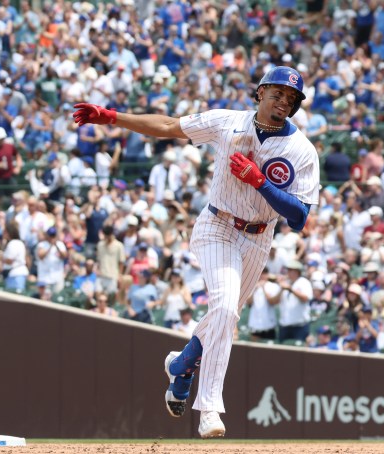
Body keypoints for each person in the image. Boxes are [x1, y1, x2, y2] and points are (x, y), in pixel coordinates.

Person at [73, 66, 319, 438]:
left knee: (225, 318)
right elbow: (170, 126)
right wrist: (112, 118)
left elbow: (299, 217)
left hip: (258, 237)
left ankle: (182, 364)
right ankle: (208, 409)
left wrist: (261, 182)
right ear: (261, 92)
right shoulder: (227, 123)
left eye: (291, 97)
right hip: (217, 224)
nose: (283, 101)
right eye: (278, 92)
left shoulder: (301, 150)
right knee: (222, 310)